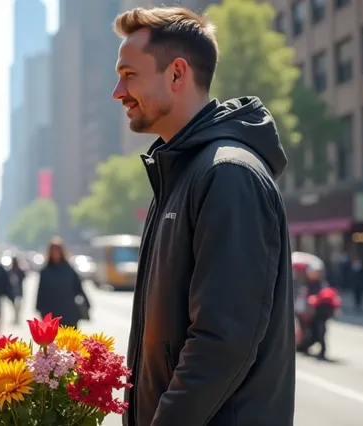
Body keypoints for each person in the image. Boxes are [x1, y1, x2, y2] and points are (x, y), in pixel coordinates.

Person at [112, 7, 294, 426]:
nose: (117, 91)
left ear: (177, 74)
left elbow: (221, 341)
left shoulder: (228, 174)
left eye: (129, 74)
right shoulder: (180, 172)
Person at [35, 237, 90, 328]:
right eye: (54, 251)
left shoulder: (69, 270)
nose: (56, 254)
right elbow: (41, 292)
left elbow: (78, 289)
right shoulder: (45, 271)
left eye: (58, 251)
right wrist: (40, 310)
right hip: (52, 314)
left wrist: (87, 305)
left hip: (69, 313)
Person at [8, 255, 26, 324]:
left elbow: (24, 276)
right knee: (14, 307)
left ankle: (17, 318)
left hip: (19, 292)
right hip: (12, 292)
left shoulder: (20, 271)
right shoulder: (10, 271)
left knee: (18, 307)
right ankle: (15, 318)